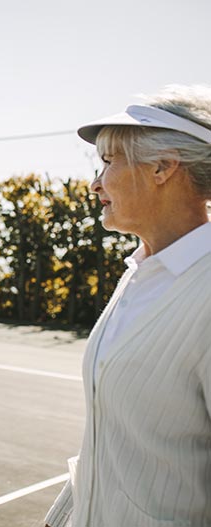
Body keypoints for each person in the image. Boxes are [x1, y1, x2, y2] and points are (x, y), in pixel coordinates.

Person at [45, 85, 211, 527]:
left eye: (107, 161)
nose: (95, 183)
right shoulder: (138, 274)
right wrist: (62, 516)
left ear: (162, 167)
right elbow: (110, 437)